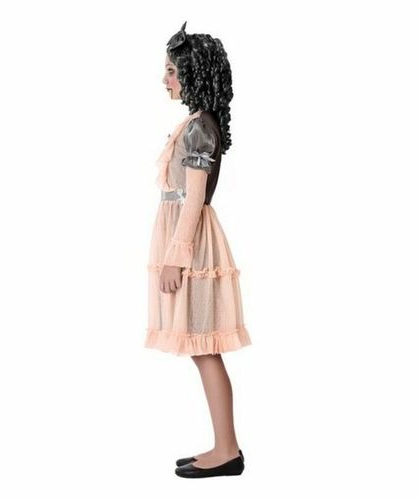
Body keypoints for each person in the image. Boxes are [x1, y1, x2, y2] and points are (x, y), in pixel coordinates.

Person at [145, 21, 252, 479]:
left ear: (193, 73)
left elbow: (192, 199)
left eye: (172, 71)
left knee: (205, 347)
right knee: (201, 348)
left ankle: (227, 450)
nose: (164, 79)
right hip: (184, 239)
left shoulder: (199, 128)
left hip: (191, 244)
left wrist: (176, 255)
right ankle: (224, 446)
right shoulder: (194, 124)